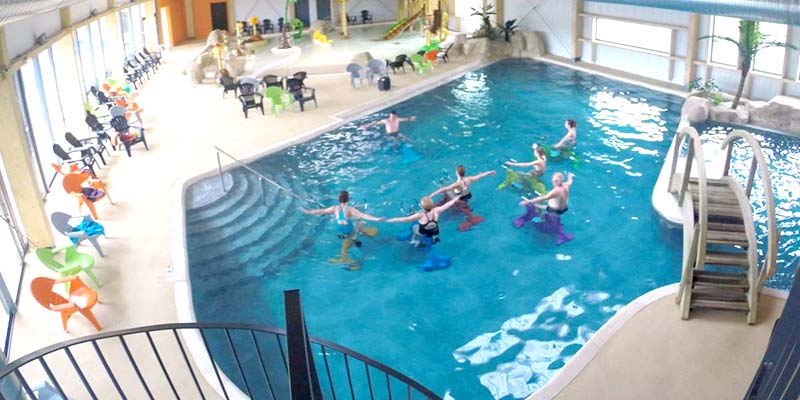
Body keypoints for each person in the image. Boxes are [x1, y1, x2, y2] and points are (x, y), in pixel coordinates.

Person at [300, 190, 384, 269]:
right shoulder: (350, 209)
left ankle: (356, 240)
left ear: (338, 199)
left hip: (341, 234)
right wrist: (376, 219)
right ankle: (357, 263)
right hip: (350, 233)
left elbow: (320, 211)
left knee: (353, 233)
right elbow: (363, 215)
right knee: (359, 225)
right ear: (348, 199)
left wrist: (307, 211)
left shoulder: (335, 208)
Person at [514, 172, 575, 245]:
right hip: (563, 209)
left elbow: (544, 198)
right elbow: (570, 181)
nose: (553, 182)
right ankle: (560, 232)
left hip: (553, 210)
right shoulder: (566, 185)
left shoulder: (556, 191)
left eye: (555, 180)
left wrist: (528, 202)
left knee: (535, 207)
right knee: (542, 208)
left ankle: (560, 235)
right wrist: (570, 176)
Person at [429, 165, 495, 231]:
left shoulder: (458, 184)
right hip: (465, 198)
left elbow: (445, 189)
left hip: (459, 201)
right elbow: (479, 176)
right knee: (450, 196)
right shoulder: (469, 179)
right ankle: (469, 217)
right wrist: (489, 172)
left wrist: (432, 195)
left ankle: (432, 211)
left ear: (456, 173)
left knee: (447, 194)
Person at [387, 195, 462, 246]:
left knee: (414, 228)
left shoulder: (420, 215)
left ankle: (416, 242)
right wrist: (455, 198)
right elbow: (447, 205)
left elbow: (406, 219)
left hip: (423, 233)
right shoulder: (437, 210)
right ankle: (434, 238)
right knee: (435, 226)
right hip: (435, 231)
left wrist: (394, 219)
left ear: (422, 207)